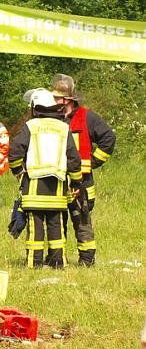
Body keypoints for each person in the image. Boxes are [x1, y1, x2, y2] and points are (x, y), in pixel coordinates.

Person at [8, 88, 81, 269]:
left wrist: (19, 172)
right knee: (56, 225)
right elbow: (73, 159)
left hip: (33, 187)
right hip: (57, 189)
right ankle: (58, 262)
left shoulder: (31, 126)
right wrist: (76, 182)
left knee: (36, 228)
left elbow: (14, 152)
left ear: (35, 107)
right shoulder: (64, 128)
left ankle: (34, 263)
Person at [52, 73, 116, 266]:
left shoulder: (86, 117)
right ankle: (57, 259)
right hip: (59, 179)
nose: (53, 101)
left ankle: (86, 260)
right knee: (57, 221)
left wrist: (92, 162)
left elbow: (108, 139)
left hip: (83, 182)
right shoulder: (53, 118)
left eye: (56, 98)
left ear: (67, 99)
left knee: (82, 222)